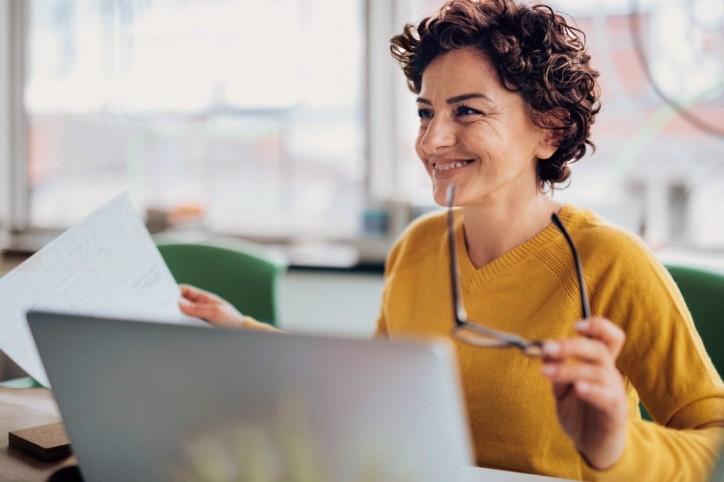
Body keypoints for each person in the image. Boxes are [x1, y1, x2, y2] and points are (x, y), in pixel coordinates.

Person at [178, 0, 724, 480]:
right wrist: (241, 335)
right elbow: (374, 391)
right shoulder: (417, 247)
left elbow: (714, 444)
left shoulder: (611, 261)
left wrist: (616, 446)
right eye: (425, 112)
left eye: (467, 110)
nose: (433, 140)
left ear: (551, 128)